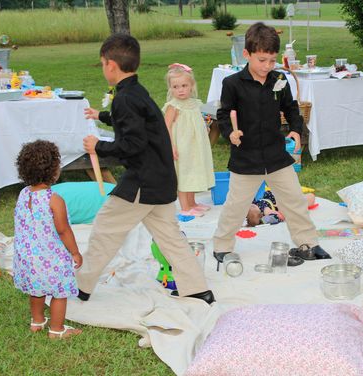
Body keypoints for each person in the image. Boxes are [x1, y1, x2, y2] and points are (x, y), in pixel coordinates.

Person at [79, 34, 214, 304]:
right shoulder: (135, 93)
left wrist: (99, 147)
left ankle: (81, 286)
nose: (104, 67)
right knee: (170, 237)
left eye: (103, 63)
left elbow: (133, 143)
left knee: (105, 229)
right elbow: (136, 123)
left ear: (111, 65)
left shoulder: (125, 98)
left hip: (142, 181)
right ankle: (197, 288)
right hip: (161, 178)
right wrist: (102, 116)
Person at [213, 22, 330, 263]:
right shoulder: (232, 83)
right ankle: (222, 246)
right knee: (235, 205)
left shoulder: (280, 79)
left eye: (272, 60)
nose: (267, 66)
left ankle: (308, 243)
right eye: (262, 60)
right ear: (247, 54)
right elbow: (224, 115)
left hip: (276, 155)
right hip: (246, 157)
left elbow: (291, 108)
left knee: (295, 201)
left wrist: (297, 130)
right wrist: (229, 133)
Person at [13, 140, 83, 339]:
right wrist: (75, 252)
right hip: (50, 258)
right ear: (53, 170)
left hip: (27, 258)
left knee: (36, 289)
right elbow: (63, 230)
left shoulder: (23, 194)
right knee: (59, 292)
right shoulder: (54, 199)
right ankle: (57, 330)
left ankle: (37, 322)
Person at [163, 63, 215, 217]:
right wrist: (171, 146)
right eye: (175, 87)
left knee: (193, 171)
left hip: (196, 145)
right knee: (184, 174)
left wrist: (204, 127)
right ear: (170, 88)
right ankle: (185, 207)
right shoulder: (173, 106)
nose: (180, 90)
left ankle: (193, 203)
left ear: (191, 86)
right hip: (182, 146)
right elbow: (166, 127)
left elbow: (198, 119)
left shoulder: (195, 103)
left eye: (184, 85)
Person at [246, 190, 316, 227]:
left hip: (279, 194)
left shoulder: (253, 203)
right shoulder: (266, 216)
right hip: (285, 202)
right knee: (311, 197)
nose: (251, 205)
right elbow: (280, 217)